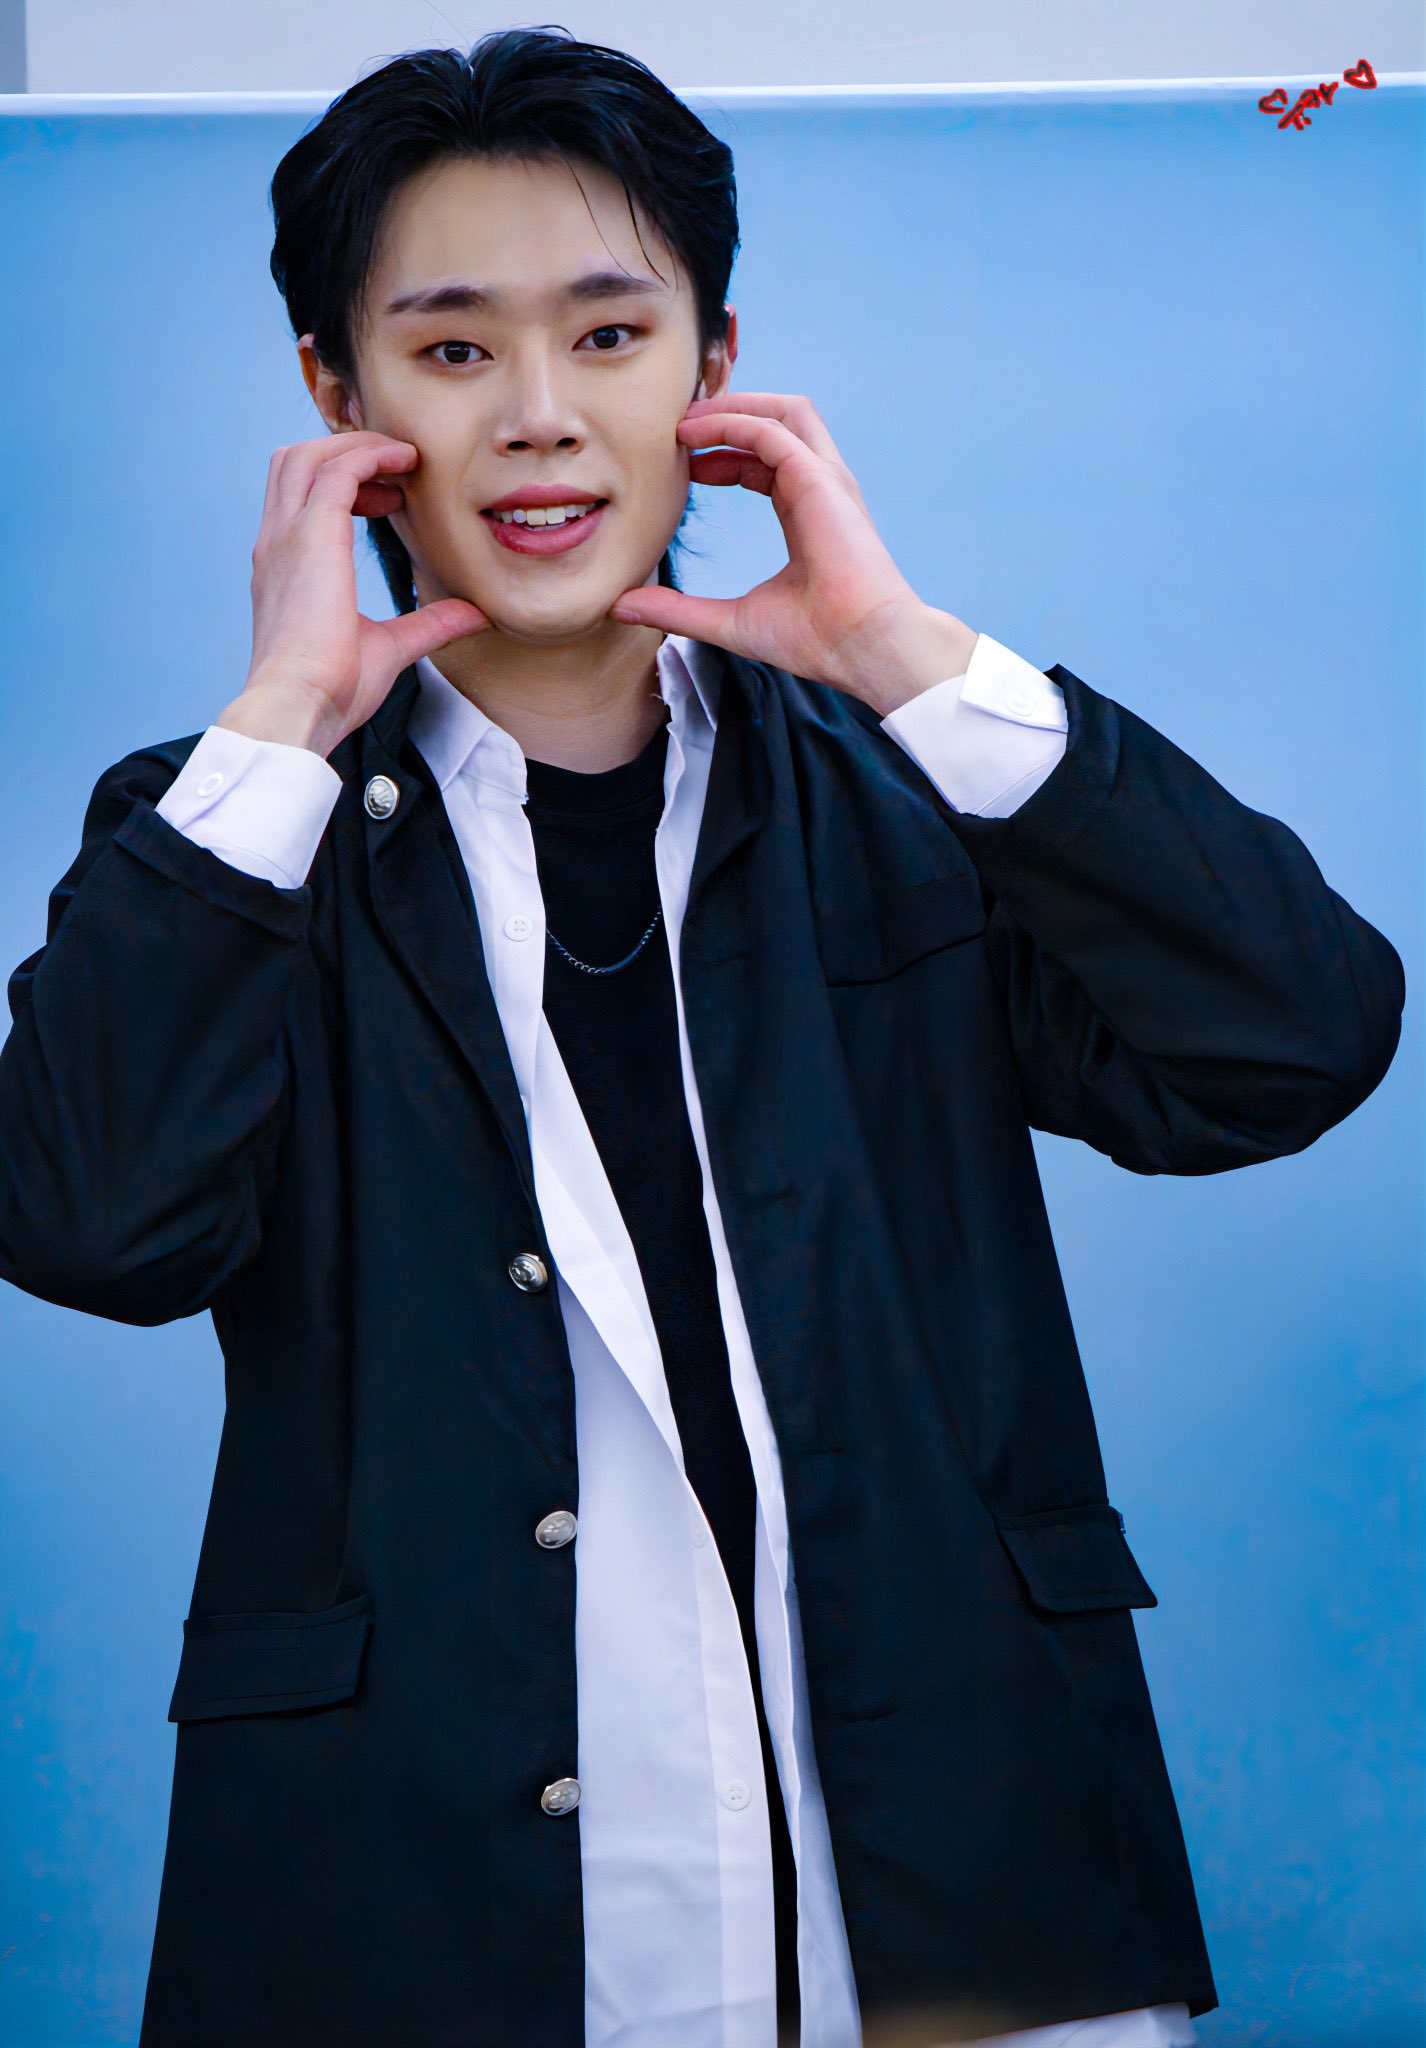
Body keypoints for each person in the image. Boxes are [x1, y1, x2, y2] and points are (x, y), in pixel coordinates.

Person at [0, 27, 1404, 2048]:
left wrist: (905, 659)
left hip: (965, 1885)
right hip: (413, 1904)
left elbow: (1293, 1040)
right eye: (451, 349)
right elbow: (95, 1226)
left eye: (609, 335)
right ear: (336, 396)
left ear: (713, 368)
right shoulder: (229, 829)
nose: (539, 419)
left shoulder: (903, 788)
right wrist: (280, 721)